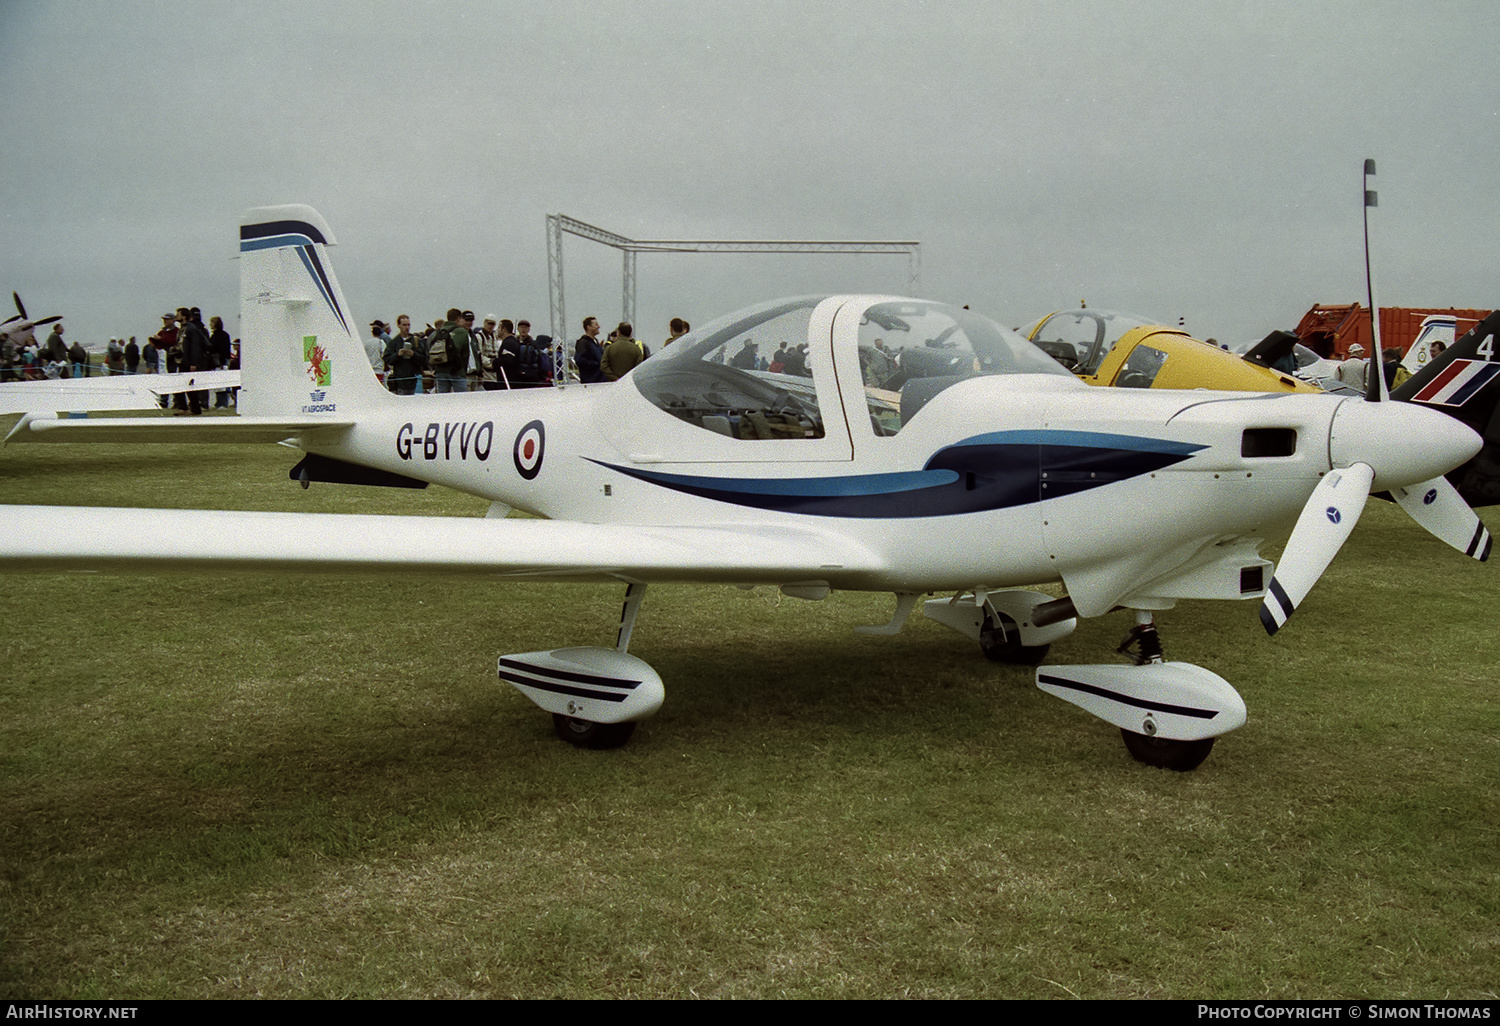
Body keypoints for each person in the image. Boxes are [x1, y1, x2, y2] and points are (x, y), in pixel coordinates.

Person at [429, 307, 469, 393]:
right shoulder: (461, 332)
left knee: (443, 400)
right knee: (462, 400)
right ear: (458, 319)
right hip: (456, 371)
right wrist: (463, 370)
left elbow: (429, 347)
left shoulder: (437, 332)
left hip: (440, 370)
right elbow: (465, 354)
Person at [383, 314, 425, 395]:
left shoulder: (416, 341)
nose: (407, 327)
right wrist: (398, 355)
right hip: (400, 381)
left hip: (415, 379)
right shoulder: (393, 342)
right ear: (398, 325)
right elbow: (387, 359)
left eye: (408, 325)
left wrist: (413, 354)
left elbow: (424, 359)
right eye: (404, 325)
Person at [575, 316, 604, 383]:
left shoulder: (595, 343)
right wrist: (596, 364)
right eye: (596, 324)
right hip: (591, 382)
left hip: (599, 381)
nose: (598, 326)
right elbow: (580, 360)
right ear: (589, 327)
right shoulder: (584, 343)